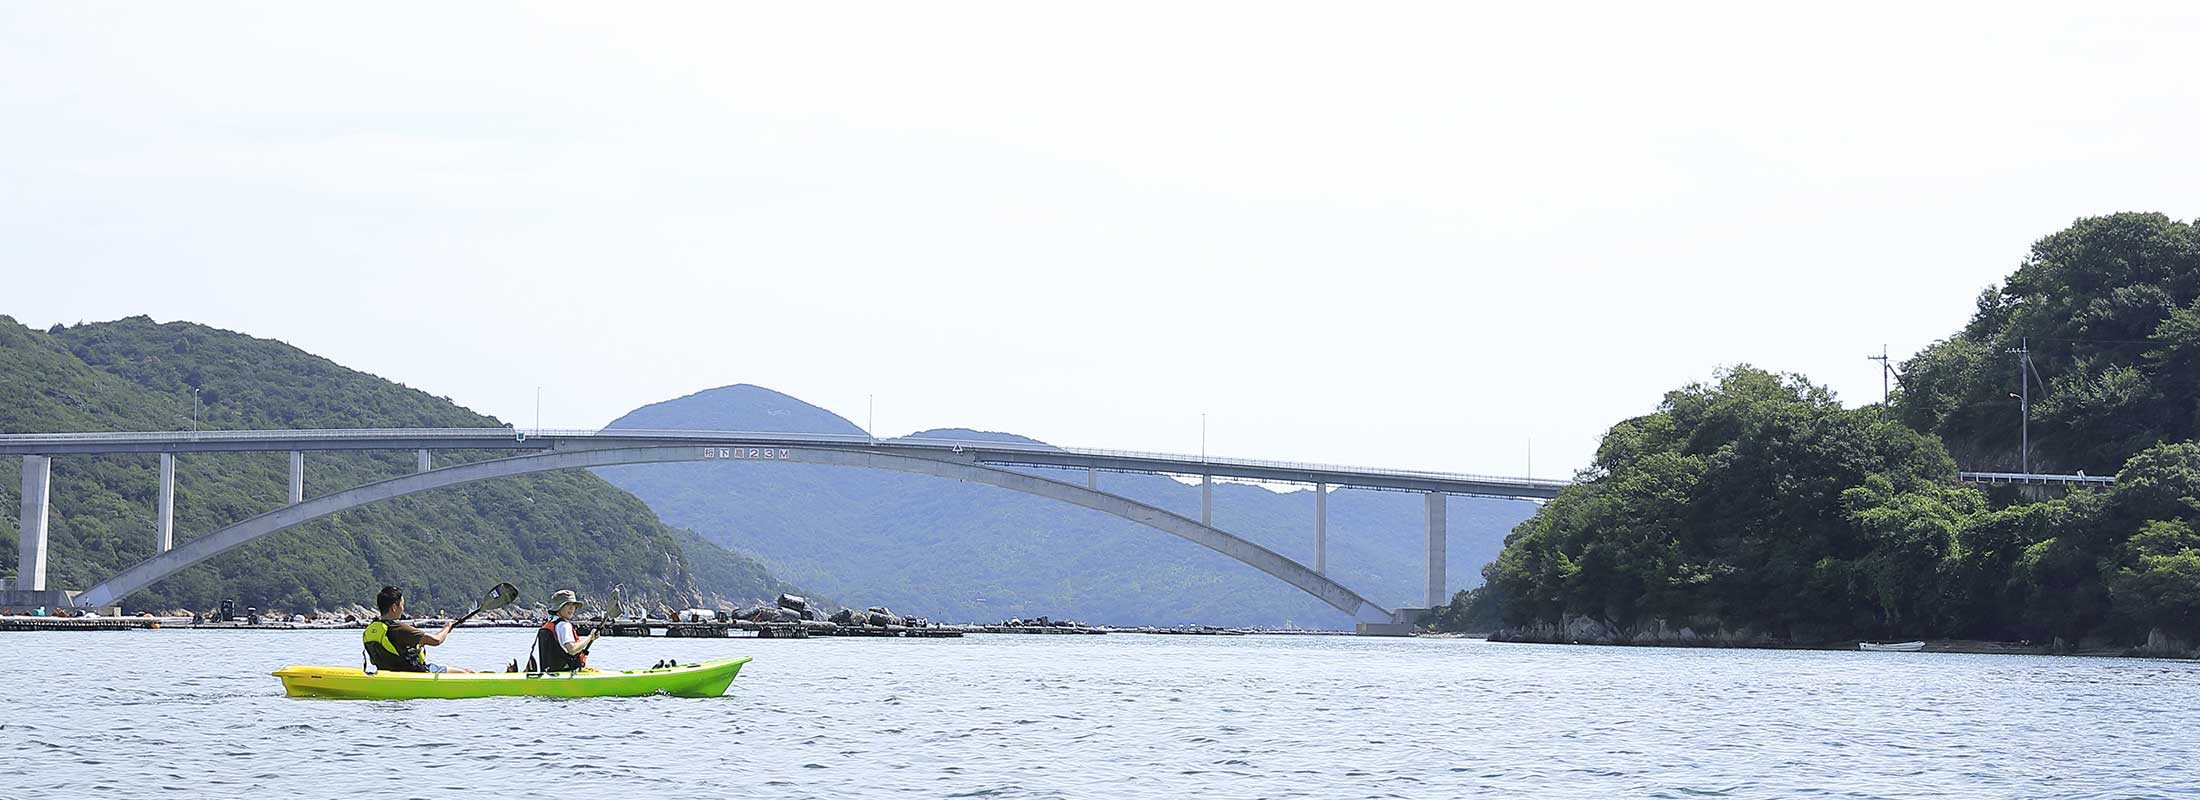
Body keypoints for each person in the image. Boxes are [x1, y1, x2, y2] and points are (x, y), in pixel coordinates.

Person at [363, 586, 473, 674]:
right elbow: (436, 640)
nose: (403, 609)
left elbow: (373, 661)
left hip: (385, 674)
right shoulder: (398, 628)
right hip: (416, 673)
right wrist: (446, 628)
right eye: (402, 605)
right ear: (394, 607)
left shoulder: (370, 630)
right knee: (466, 672)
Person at [534, 589, 600, 672]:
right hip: (566, 675)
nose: (572, 608)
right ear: (559, 607)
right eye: (567, 604)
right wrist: (590, 637)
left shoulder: (550, 624)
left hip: (550, 674)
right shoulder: (564, 625)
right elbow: (572, 650)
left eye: (574, 605)